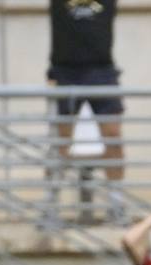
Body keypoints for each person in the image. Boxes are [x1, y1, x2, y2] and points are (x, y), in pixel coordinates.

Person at [48, 0, 126, 222]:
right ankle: (51, 203)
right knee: (61, 141)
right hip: (65, 70)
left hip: (102, 69)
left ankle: (116, 203)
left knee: (113, 135)